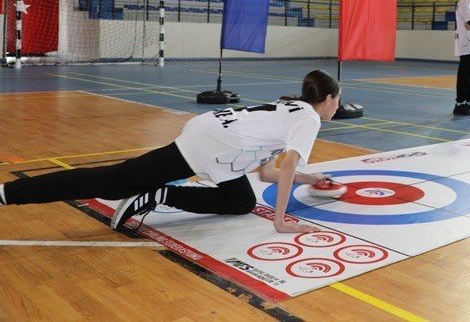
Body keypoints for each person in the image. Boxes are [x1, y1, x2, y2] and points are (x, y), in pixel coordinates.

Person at [0, 70, 340, 234]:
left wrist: (312, 178)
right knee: (112, 182)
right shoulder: (309, 119)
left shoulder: (291, 108)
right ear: (327, 100)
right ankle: (7, 193)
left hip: (217, 140)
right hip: (209, 145)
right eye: (336, 101)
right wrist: (280, 222)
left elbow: (268, 172)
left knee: (240, 202)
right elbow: (288, 164)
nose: (336, 107)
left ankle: (162, 193)